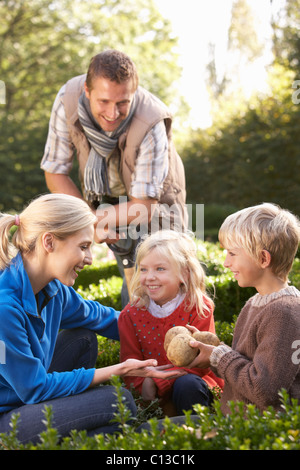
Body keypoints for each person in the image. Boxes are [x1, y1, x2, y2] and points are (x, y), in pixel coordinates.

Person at [0, 193, 185, 444]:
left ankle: (92, 433)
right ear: (49, 242)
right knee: (115, 400)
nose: (89, 258)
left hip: (27, 398)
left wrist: (177, 335)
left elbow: (109, 320)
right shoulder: (4, 308)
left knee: (83, 338)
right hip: (7, 419)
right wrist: (117, 370)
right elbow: (34, 388)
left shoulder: (55, 291)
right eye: (84, 246)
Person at [40, 49, 187, 307]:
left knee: (162, 280)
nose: (113, 112)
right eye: (104, 101)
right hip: (103, 197)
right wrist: (89, 221)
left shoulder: (151, 121)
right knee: (130, 275)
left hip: (155, 201)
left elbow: (144, 206)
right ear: (87, 91)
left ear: (135, 93)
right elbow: (55, 171)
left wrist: (91, 223)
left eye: (123, 103)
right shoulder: (67, 100)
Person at [188, 203, 300, 414]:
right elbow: (245, 368)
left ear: (263, 259)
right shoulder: (256, 303)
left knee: (149, 431)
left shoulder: (284, 313)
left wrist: (220, 355)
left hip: (256, 431)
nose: (225, 263)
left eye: (232, 253)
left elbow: (263, 390)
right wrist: (212, 352)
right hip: (236, 421)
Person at [118, 230, 224, 416]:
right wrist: (145, 386)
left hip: (193, 388)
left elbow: (201, 362)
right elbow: (130, 364)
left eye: (160, 269)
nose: (149, 276)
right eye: (143, 269)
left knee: (187, 385)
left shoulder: (198, 307)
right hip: (151, 396)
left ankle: (199, 435)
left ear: (184, 273)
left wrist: (158, 382)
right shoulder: (130, 315)